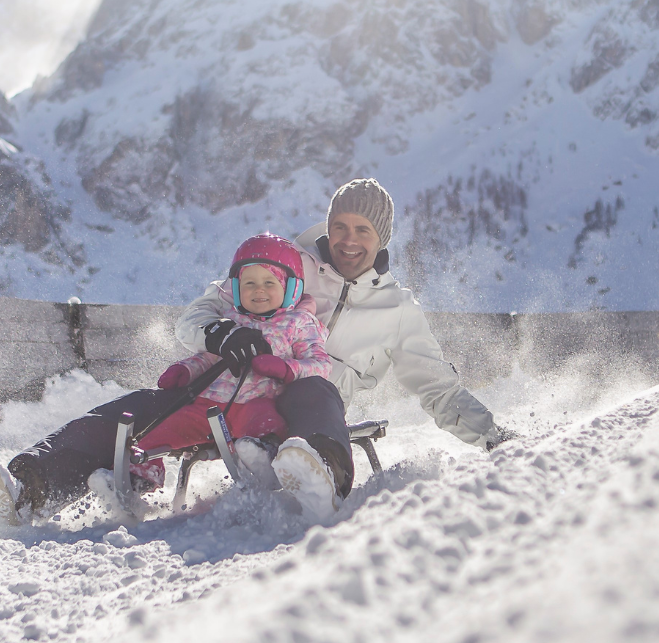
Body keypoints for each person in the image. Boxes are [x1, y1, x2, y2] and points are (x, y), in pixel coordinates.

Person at [176, 178, 504, 518]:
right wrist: (221, 334)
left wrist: (492, 437)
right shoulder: (287, 264)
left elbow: (438, 389)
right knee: (170, 395)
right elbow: (198, 314)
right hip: (237, 394)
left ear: (382, 237)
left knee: (314, 388)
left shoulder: (398, 311)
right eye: (340, 227)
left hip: (313, 414)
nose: (349, 240)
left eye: (363, 230)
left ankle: (323, 474)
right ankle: (128, 460)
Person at [0, 234, 336, 525]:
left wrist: (287, 369)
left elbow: (320, 362)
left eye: (269, 284)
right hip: (208, 402)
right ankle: (60, 487)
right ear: (235, 287)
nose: (258, 291)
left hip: (282, 405)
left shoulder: (301, 322)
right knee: (148, 425)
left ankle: (275, 463)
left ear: (290, 289)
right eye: (249, 283)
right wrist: (191, 365)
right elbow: (198, 338)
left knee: (263, 424)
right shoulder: (230, 312)